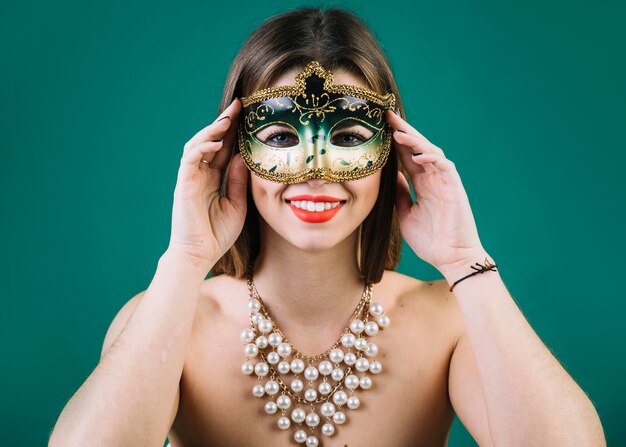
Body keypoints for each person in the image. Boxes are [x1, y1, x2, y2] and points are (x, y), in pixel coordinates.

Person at [49, 7, 606, 447]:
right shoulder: (167, 320)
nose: (315, 168)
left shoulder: (450, 323)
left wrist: (465, 261)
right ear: (233, 148)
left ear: (391, 153)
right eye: (282, 136)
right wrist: (186, 257)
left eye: (345, 136)